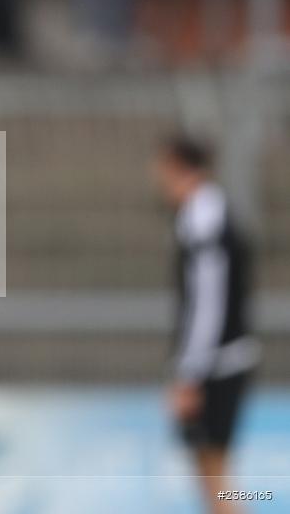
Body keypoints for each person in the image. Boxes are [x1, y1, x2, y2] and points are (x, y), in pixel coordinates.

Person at [153, 135, 258, 514]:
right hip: (223, 359)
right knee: (211, 472)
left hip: (218, 363)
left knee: (216, 475)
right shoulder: (210, 212)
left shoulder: (202, 221)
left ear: (180, 169)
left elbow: (207, 306)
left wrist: (189, 373)